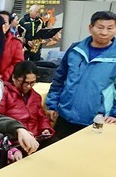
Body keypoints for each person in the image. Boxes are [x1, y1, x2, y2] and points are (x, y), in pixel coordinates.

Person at [46, 11, 116, 140]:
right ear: (90, 28)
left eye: (110, 28)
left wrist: (114, 114)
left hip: (97, 120)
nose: (104, 32)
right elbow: (59, 79)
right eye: (100, 27)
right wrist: (52, 104)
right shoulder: (75, 49)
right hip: (65, 116)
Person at [0, 61, 54, 146]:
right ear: (14, 77)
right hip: (15, 140)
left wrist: (45, 129)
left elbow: (41, 117)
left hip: (36, 138)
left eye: (32, 83)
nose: (28, 86)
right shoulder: (3, 93)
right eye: (25, 82)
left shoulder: (35, 96)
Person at [0, 11, 24, 81]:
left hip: (5, 81)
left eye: (4, 22)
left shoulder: (15, 43)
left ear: (9, 25)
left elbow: (18, 63)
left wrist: (4, 76)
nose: (0, 24)